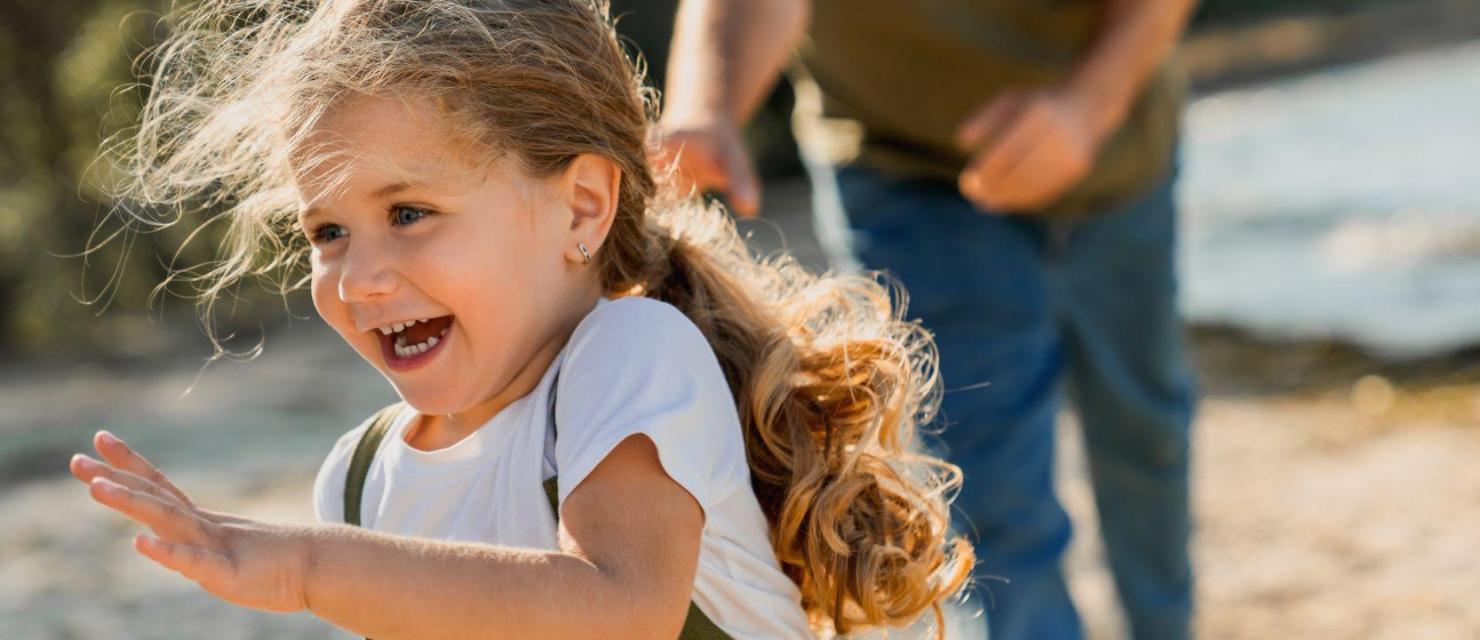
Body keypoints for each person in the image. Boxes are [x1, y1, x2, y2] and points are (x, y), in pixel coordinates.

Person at [64, 0, 973, 638]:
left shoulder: (631, 355)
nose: (361, 277)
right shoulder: (360, 482)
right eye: (328, 231)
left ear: (581, 208)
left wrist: (311, 571)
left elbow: (623, 611)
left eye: (409, 213)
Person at [656, 0, 1200, 638]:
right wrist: (705, 109)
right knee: (990, 497)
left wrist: (1086, 107)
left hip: (1115, 144)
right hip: (903, 166)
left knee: (1143, 431)